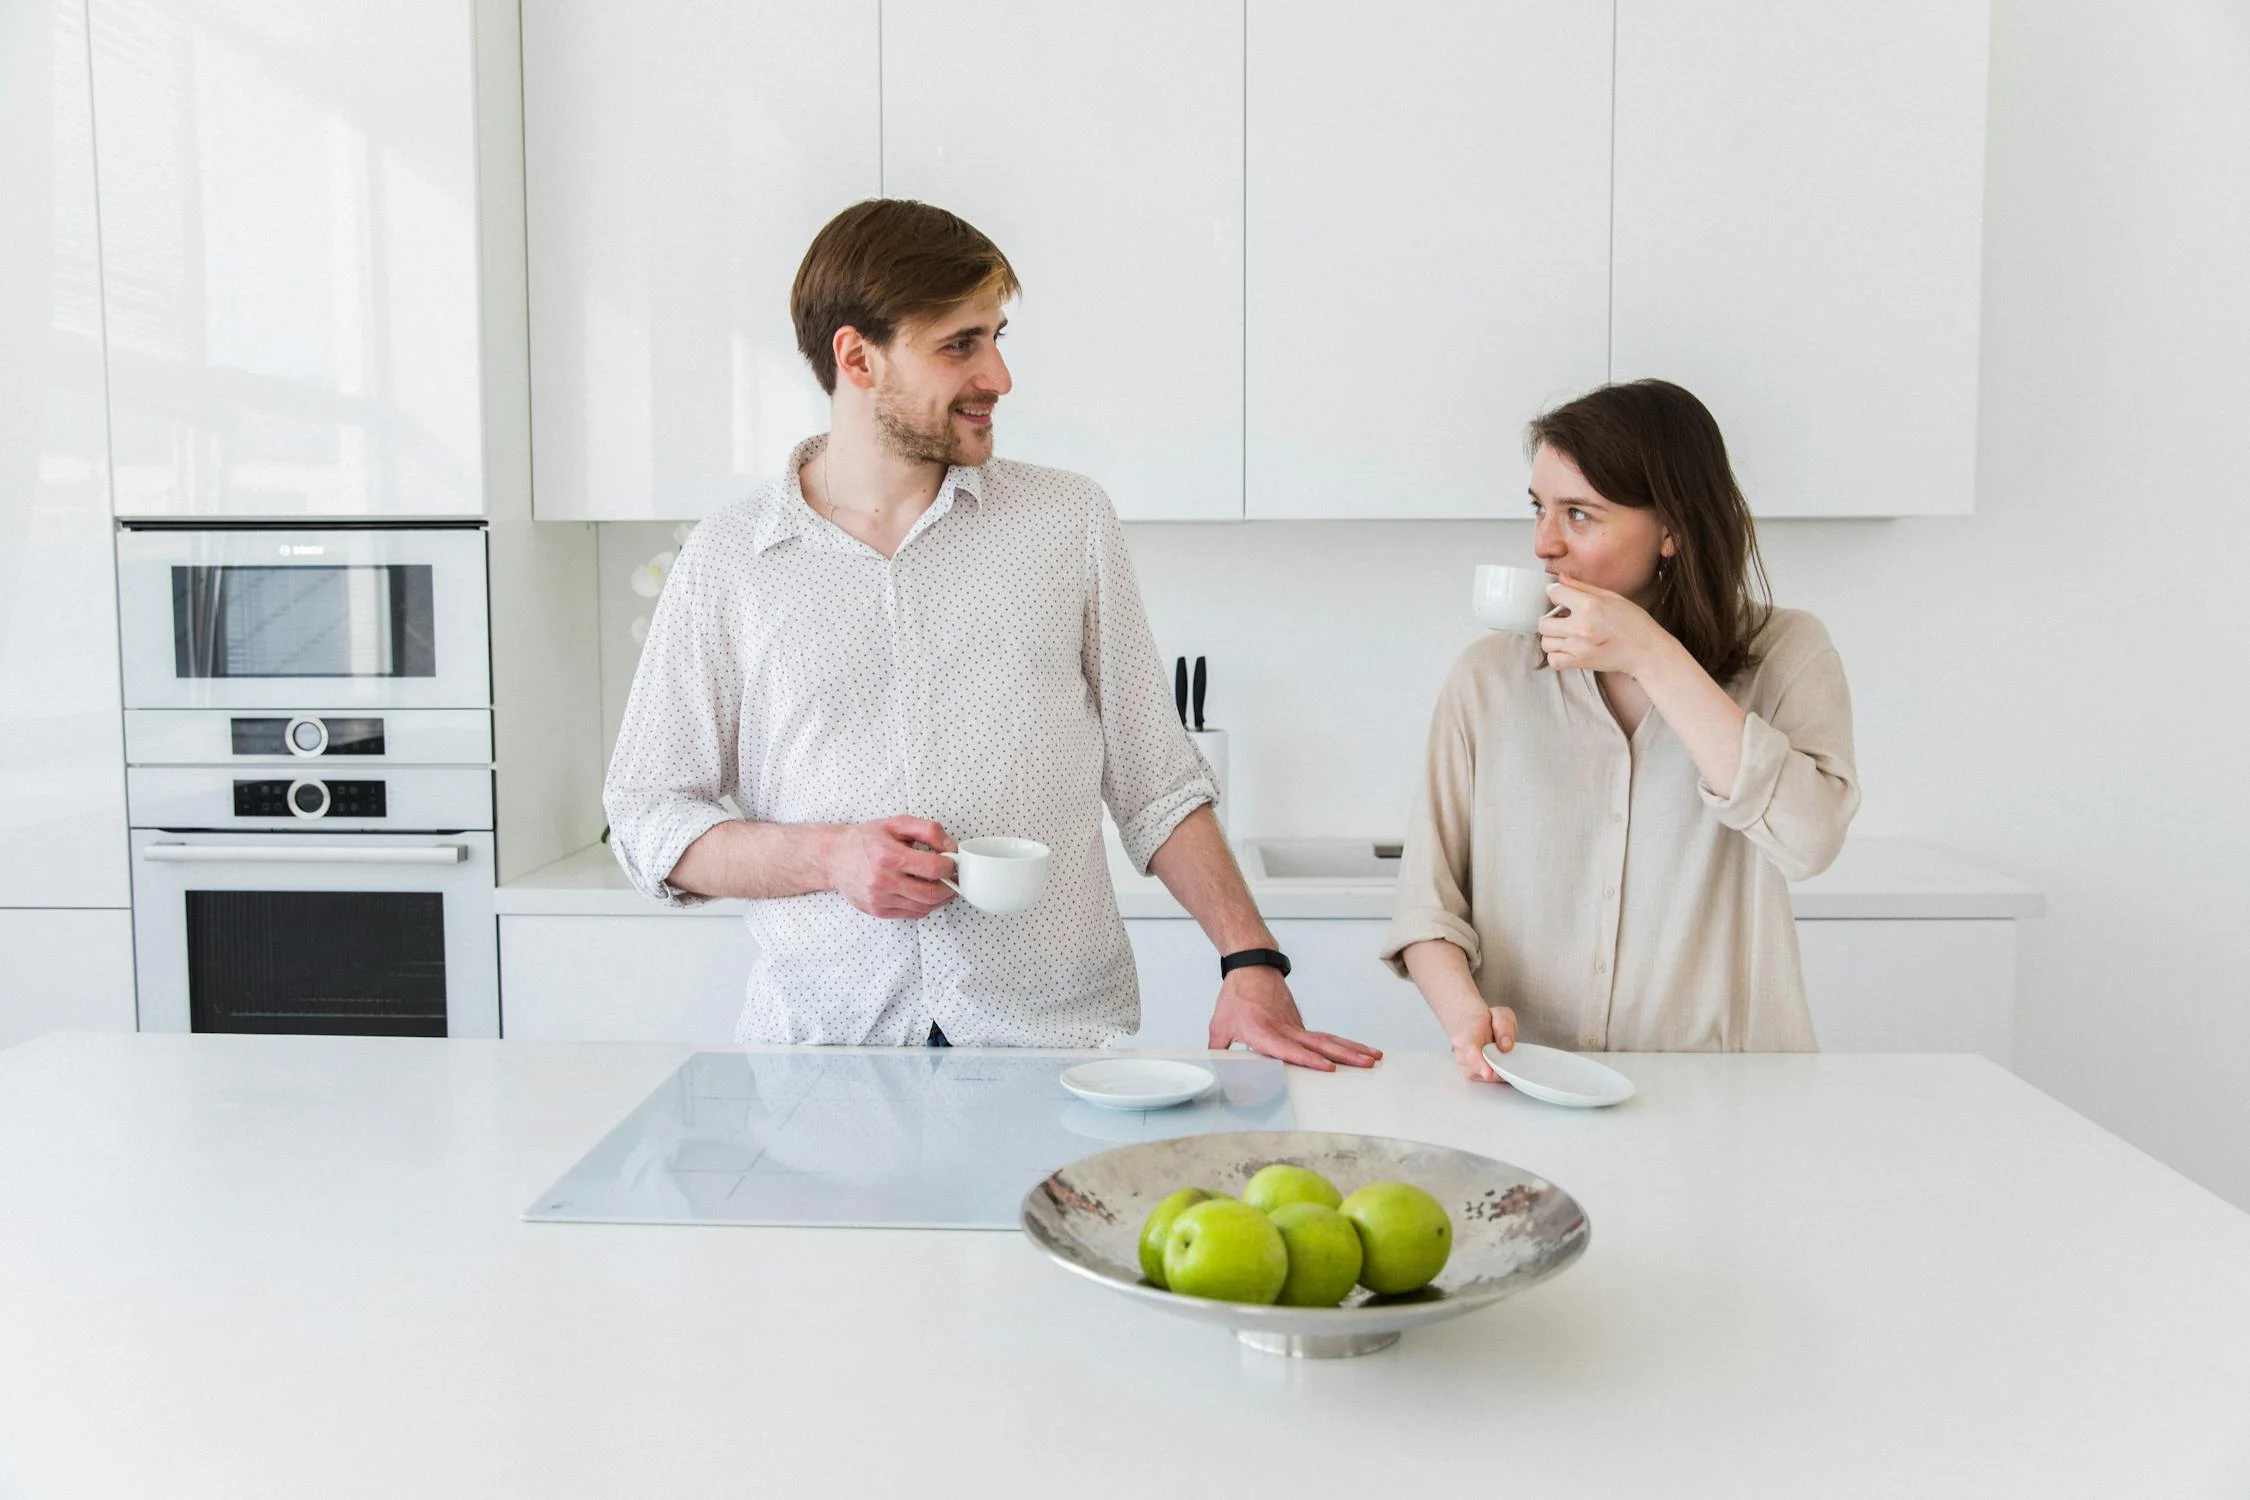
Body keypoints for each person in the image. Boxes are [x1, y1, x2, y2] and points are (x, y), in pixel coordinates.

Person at [604, 198, 1378, 1070]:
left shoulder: (1067, 521)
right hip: (826, 1057)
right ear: (857, 357)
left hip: (1055, 1049)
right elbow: (647, 821)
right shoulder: (731, 560)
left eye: (996, 337)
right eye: (959, 345)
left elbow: (1155, 780)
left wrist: (1251, 961)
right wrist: (831, 858)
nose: (999, 377)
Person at [1382, 379, 1860, 1078]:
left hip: (1736, 1094)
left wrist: (1652, 654)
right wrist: (1467, 1021)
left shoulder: (1787, 653)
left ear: (1671, 529)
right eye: (1539, 508)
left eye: (1579, 515)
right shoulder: (1487, 679)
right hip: (1533, 1082)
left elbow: (1810, 840)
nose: (1546, 543)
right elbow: (1426, 908)